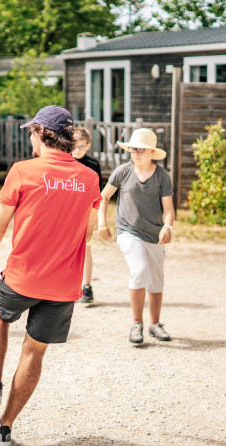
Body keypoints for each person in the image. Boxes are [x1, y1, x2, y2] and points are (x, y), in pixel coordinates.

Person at [0, 106, 101, 446]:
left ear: (42, 132)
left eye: (30, 132)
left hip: (23, 276)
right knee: (34, 352)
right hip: (64, 284)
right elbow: (88, 232)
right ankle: (4, 428)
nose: (29, 138)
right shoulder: (89, 177)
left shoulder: (23, 171)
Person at [97, 128, 175, 345]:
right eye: (132, 148)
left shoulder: (162, 176)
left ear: (151, 151)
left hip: (155, 235)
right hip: (128, 232)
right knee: (139, 270)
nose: (136, 152)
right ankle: (136, 323)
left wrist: (167, 226)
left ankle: (155, 324)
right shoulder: (122, 172)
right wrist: (102, 224)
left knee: (156, 280)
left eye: (140, 149)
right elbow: (103, 197)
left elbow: (168, 208)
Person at [72, 127, 103, 303]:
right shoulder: (66, 162)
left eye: (82, 147)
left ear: (88, 146)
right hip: (68, 213)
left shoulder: (93, 165)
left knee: (86, 249)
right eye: (75, 146)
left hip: (86, 213)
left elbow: (97, 193)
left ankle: (86, 286)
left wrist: (97, 216)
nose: (78, 150)